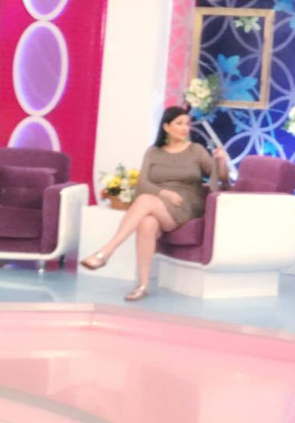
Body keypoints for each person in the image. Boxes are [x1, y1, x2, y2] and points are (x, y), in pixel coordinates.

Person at [80, 106, 228, 301]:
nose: (185, 128)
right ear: (166, 127)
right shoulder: (153, 152)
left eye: (187, 124)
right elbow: (143, 183)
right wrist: (164, 193)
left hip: (186, 203)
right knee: (147, 223)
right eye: (179, 123)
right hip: (160, 202)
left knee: (145, 201)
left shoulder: (196, 150)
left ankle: (106, 251)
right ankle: (142, 285)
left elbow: (221, 178)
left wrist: (221, 161)